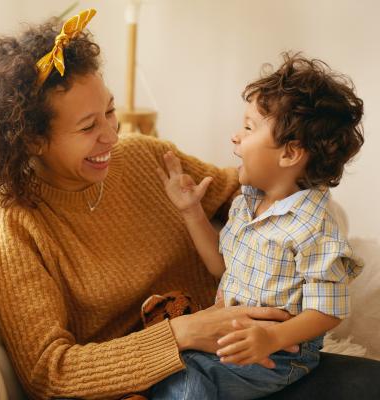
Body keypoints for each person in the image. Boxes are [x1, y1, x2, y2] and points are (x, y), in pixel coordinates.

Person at [0, 9, 308, 399]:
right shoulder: (13, 226)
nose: (111, 136)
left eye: (109, 112)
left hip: (247, 357)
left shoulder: (144, 158)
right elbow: (49, 373)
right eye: (89, 127)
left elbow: (238, 193)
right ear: (33, 141)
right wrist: (184, 334)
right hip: (161, 385)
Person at [151, 53, 364, 399]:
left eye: (249, 127)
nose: (236, 136)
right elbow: (221, 267)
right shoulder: (247, 201)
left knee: (187, 382)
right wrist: (191, 212)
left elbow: (329, 310)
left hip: (279, 355)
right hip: (231, 334)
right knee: (162, 364)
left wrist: (273, 338)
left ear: (290, 154)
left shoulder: (314, 226)